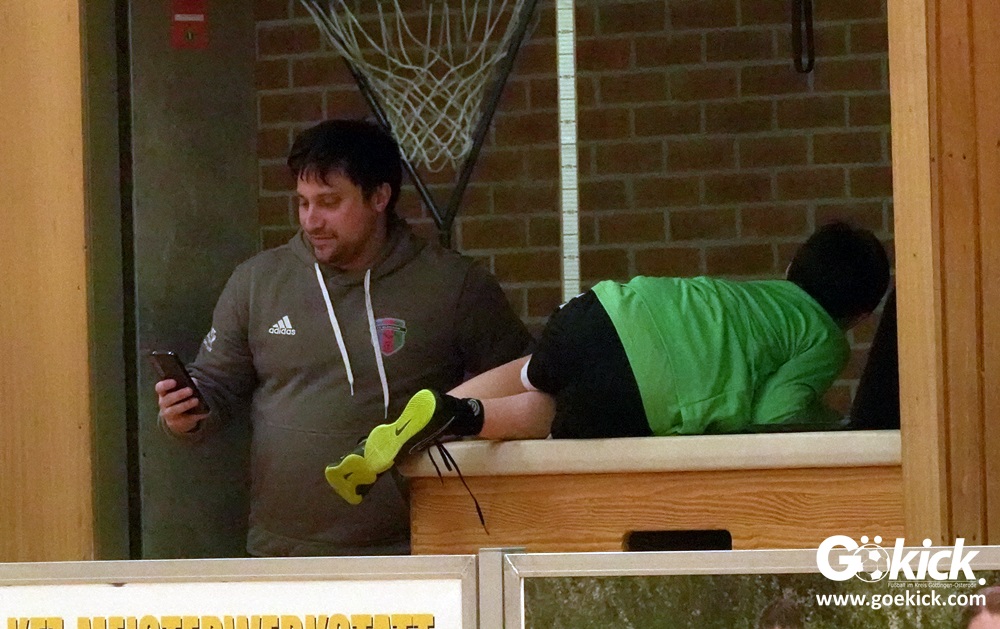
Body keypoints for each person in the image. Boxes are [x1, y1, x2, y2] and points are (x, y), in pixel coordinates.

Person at [155, 118, 532, 556]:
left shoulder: (455, 285)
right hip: (282, 551)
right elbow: (215, 386)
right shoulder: (257, 282)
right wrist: (186, 413)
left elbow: (526, 385)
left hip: (417, 548)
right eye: (303, 203)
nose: (311, 220)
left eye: (329, 202)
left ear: (380, 197)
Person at [325, 221, 890, 505]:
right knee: (550, 415)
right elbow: (778, 416)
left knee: (532, 373)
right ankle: (463, 417)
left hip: (602, 309)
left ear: (791, 267)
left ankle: (430, 413)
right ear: (861, 315)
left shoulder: (762, 297)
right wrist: (835, 424)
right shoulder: (824, 337)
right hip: (641, 385)